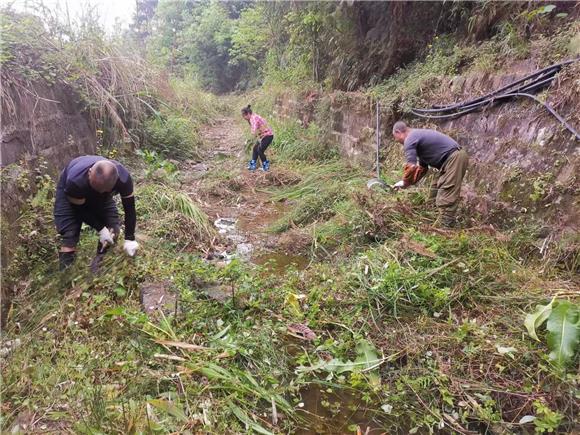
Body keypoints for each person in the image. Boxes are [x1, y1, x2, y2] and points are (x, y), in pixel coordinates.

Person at [54, 155, 139, 271]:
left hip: (102, 192)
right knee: (70, 235)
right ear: (89, 172)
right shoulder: (74, 181)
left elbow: (129, 208)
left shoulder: (124, 179)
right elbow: (79, 210)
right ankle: (65, 276)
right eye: (96, 188)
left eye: (104, 191)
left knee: (113, 230)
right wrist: (100, 228)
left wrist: (130, 238)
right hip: (73, 195)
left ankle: (98, 265)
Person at [392, 121, 469, 227]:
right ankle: (432, 220)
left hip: (454, 159)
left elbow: (411, 166)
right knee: (434, 190)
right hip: (449, 161)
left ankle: (445, 230)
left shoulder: (409, 139)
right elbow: (422, 168)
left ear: (398, 132)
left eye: (396, 138)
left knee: (447, 194)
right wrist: (408, 183)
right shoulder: (418, 137)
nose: (397, 141)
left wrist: (405, 182)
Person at [241, 105, 274, 171]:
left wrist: (251, 139)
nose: (244, 118)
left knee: (260, 150)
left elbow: (254, 131)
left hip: (268, 136)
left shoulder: (253, 118)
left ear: (247, 114)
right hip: (263, 136)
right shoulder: (253, 117)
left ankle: (266, 167)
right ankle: (253, 165)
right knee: (255, 148)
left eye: (244, 116)